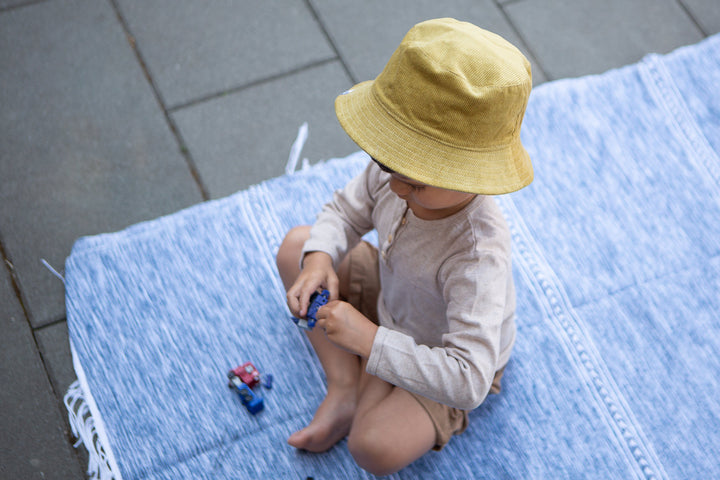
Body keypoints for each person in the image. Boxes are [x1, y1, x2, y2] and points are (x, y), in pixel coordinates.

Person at [276, 17, 533, 476]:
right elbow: (345, 211)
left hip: (444, 353)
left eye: (413, 183)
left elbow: (469, 377)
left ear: (472, 176)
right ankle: (344, 387)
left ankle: (372, 389)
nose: (393, 187)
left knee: (373, 447)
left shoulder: (477, 256)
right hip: (393, 297)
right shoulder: (396, 171)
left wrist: (371, 340)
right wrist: (319, 260)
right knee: (298, 247)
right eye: (386, 164)